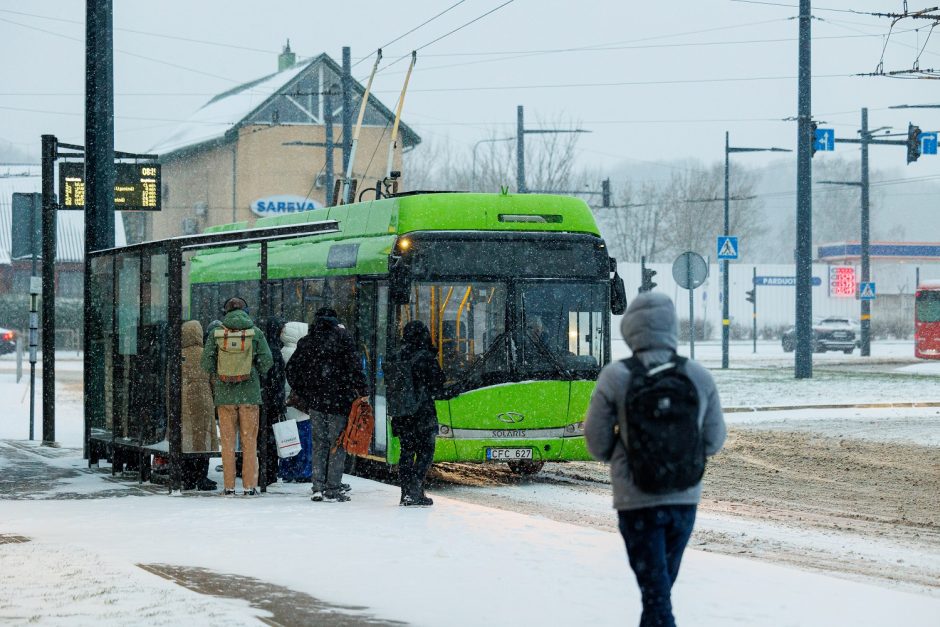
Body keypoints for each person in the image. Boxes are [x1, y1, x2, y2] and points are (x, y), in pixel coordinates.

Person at [584, 292, 726, 627]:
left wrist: (621, 454)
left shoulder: (616, 376)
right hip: (683, 498)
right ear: (672, 328)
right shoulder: (697, 376)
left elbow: (596, 441)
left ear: (630, 329)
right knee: (659, 591)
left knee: (656, 595)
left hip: (636, 501)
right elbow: (714, 440)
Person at [285, 307, 365, 503]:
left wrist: (306, 393)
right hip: (339, 401)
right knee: (337, 444)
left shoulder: (307, 341)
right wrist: (362, 391)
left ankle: (317, 487)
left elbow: (292, 370)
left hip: (317, 403)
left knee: (319, 444)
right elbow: (355, 367)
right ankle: (333, 488)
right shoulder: (343, 339)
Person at [201, 297, 273, 497]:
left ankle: (229, 486)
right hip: (249, 395)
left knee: (228, 442)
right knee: (249, 442)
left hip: (225, 397)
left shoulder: (217, 334)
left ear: (225, 312)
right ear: (246, 311)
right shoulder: (255, 333)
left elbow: (206, 364)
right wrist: (252, 369)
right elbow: (267, 361)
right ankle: (249, 486)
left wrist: (221, 371)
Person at [391, 321, 445, 506]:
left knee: (406, 453)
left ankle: (407, 493)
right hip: (423, 414)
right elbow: (438, 384)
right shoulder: (426, 358)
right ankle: (415, 491)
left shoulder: (397, 356)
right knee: (425, 453)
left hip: (402, 414)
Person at [179, 320, 218, 491]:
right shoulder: (206, 354)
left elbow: (170, 382)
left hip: (184, 400)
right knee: (203, 438)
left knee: (186, 438)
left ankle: (187, 477)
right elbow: (214, 381)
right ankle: (202, 477)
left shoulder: (179, 355)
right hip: (204, 399)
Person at [278, 321, 313, 482]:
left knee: (287, 439)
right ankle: (303, 471)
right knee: (304, 438)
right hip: (298, 402)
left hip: (286, 402)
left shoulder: (281, 352)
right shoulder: (300, 353)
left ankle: (286, 470)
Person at [259, 316, 287, 488]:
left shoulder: (263, 348)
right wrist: (279, 403)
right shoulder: (275, 350)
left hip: (261, 400)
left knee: (261, 437)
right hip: (271, 402)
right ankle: (269, 472)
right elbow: (277, 382)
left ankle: (264, 471)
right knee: (270, 439)